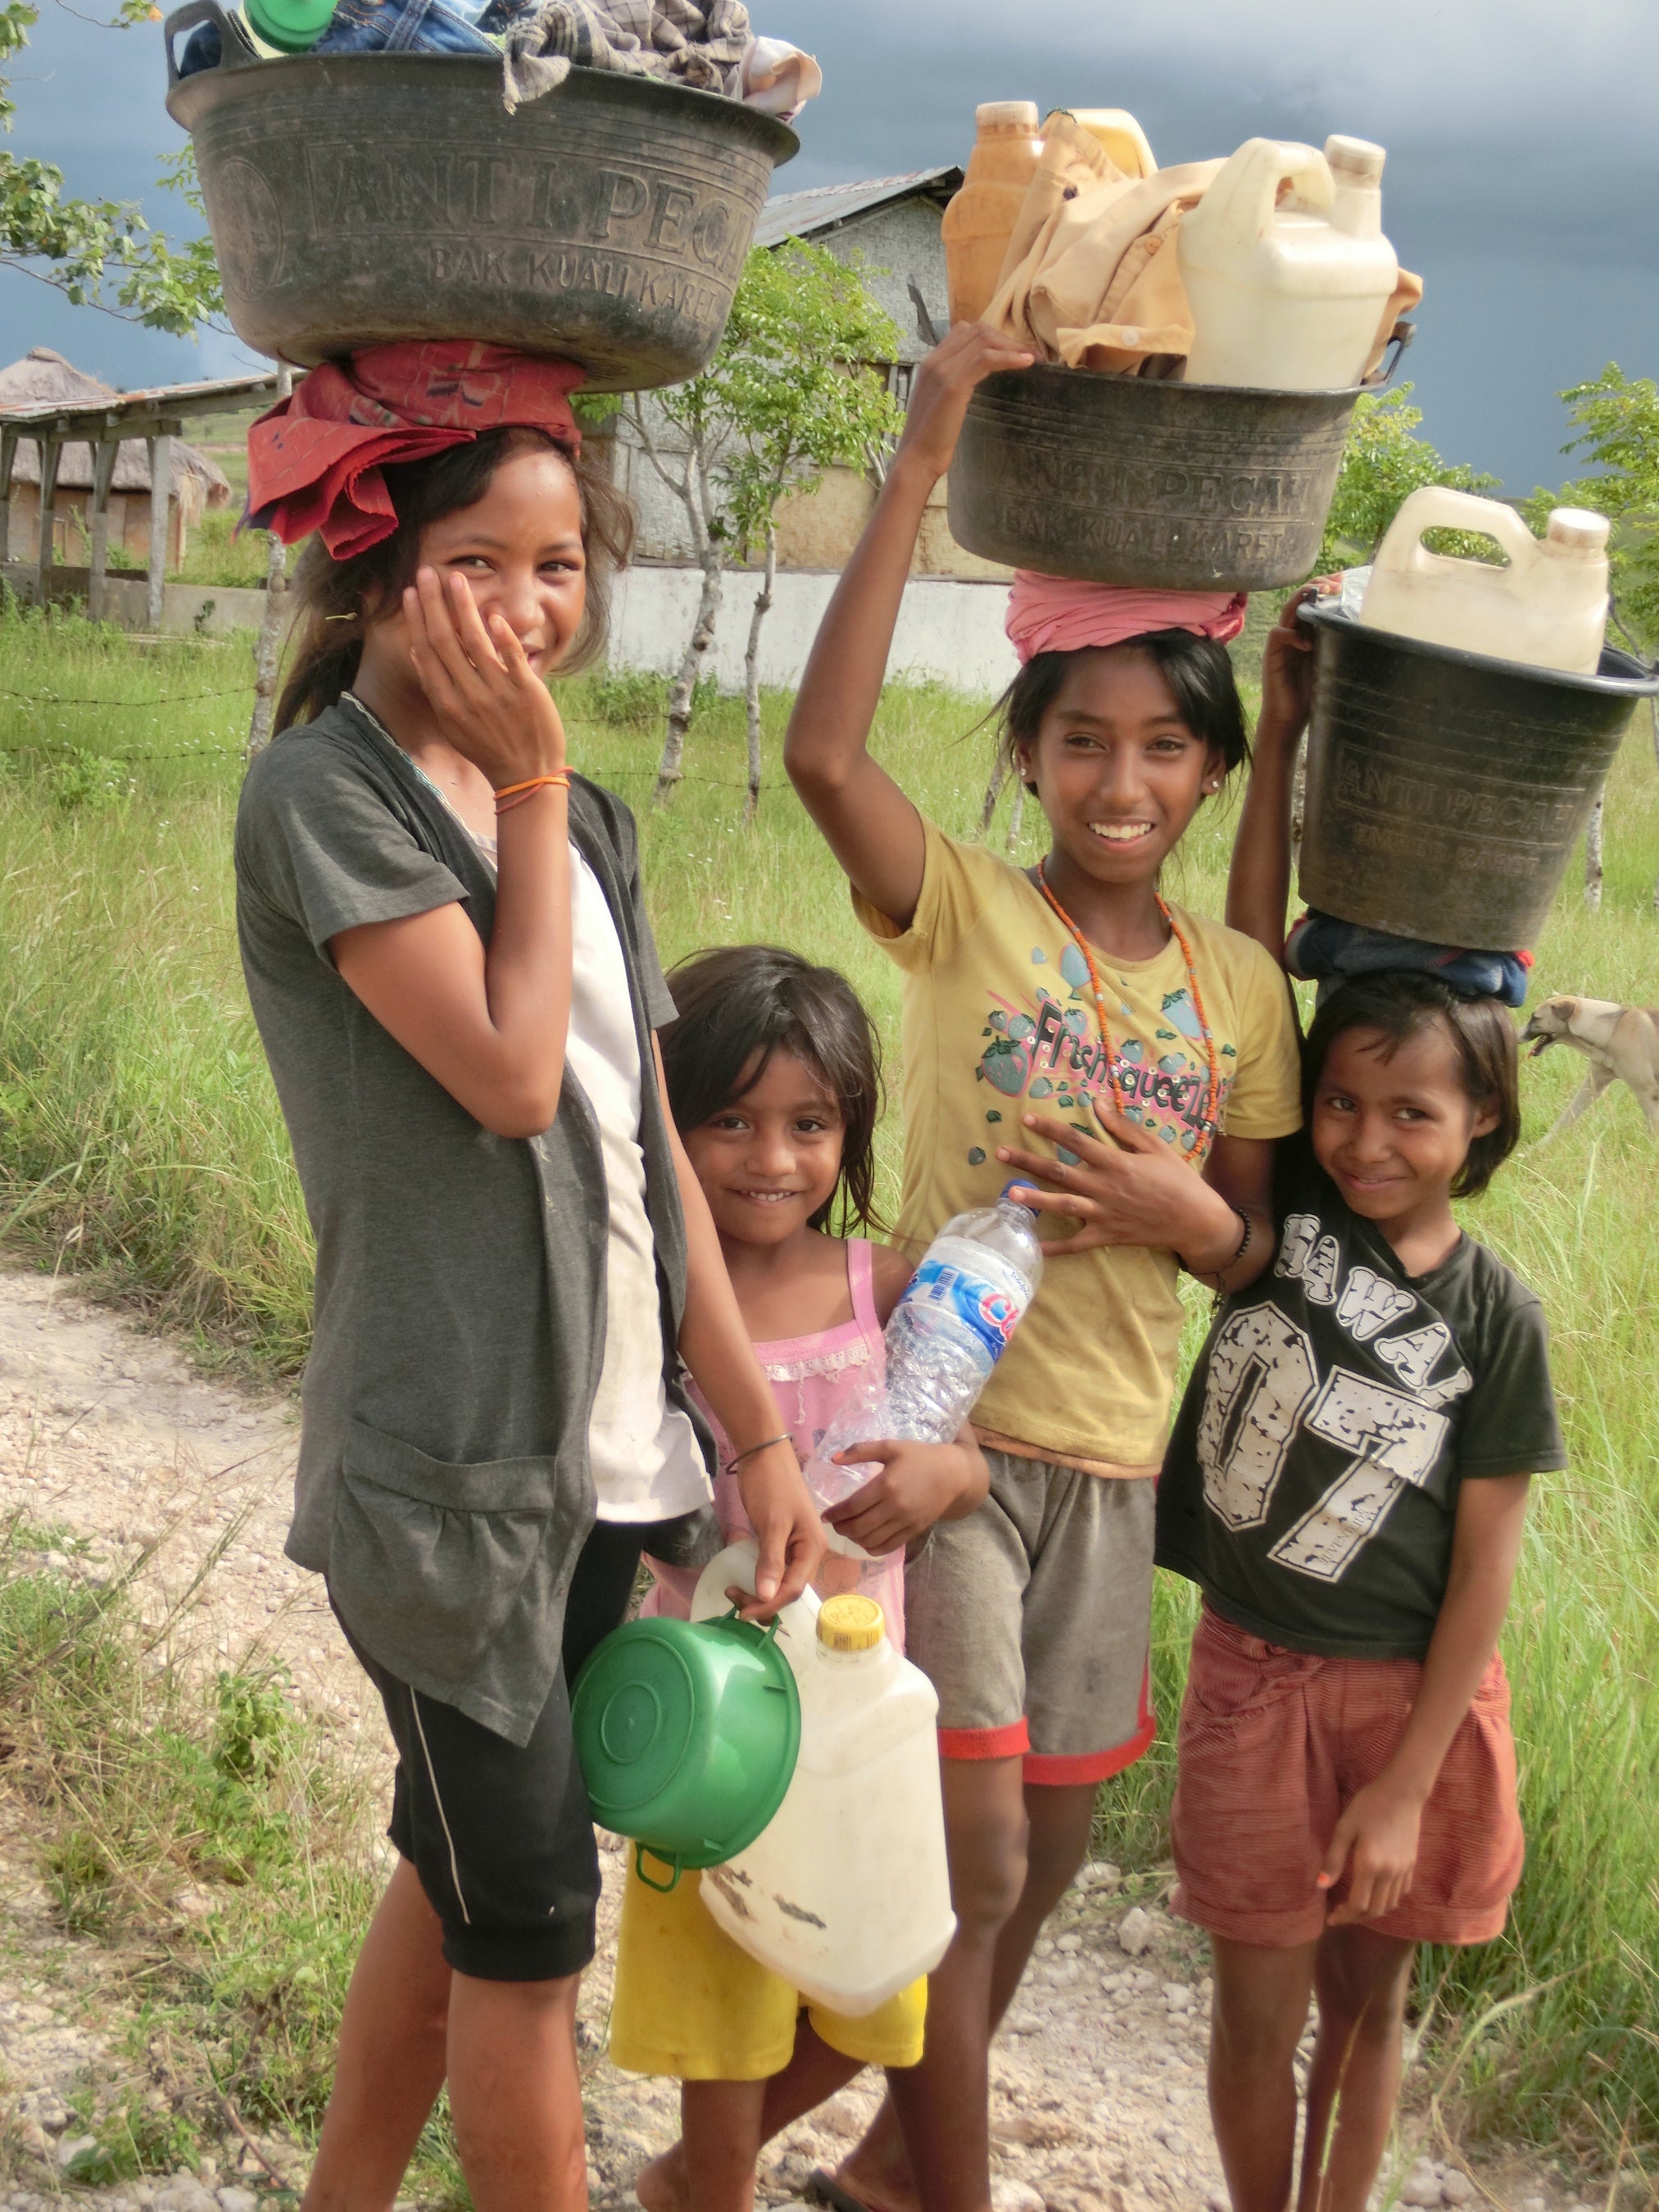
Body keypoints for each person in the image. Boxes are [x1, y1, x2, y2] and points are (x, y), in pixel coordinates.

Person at [233, 343, 823, 2212]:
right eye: (478, 561)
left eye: (559, 566)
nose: (527, 607)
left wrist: (756, 1438)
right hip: (444, 1488)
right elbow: (499, 1078)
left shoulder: (584, 822)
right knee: (532, 1939)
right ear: (376, 568)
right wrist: (531, 785)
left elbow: (645, 1152)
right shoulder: (325, 801)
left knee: (470, 1870)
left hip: (601, 1471)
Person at [780, 322, 1304, 2212]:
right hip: (946, 1446)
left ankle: (827, 2171)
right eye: (1080, 738)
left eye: (1164, 745)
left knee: (1048, 1864)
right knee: (972, 1861)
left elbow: (1249, 1247)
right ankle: (947, 2193)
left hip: (1110, 1462)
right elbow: (820, 751)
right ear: (1025, 756)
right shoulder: (967, 914)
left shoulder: (1239, 991)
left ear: (1206, 773)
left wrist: (1188, 1221)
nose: (1120, 775)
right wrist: (922, 451)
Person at [1154, 593, 1568, 2212]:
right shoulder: (1284, 1217)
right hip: (1253, 1681)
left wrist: (1403, 1789)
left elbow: (1481, 1574)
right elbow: (1254, 961)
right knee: (1254, 2010)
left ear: (1479, 1127)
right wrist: (1285, 742)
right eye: (1338, 1101)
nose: (1362, 1138)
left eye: (1408, 1112)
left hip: (1411, 1711)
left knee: (1367, 2006)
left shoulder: (1496, 1318)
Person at [611, 944, 988, 2212]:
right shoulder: (656, 1299)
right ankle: (708, 2184)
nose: (772, 1159)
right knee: (721, 2013)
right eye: (730, 1122)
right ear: (671, 1128)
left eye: (809, 1124)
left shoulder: (881, 1283)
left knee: (874, 1987)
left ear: (850, 1131)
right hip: (712, 1726)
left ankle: (677, 2184)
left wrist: (946, 1482)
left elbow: (963, 1451)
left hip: (857, 1726)